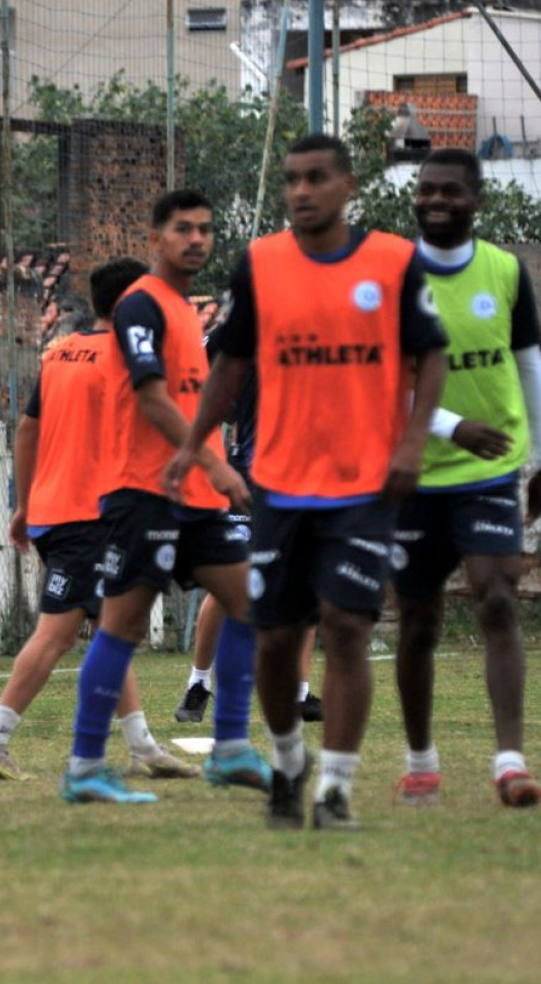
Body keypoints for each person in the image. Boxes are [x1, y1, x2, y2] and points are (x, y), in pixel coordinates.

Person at [171, 133, 449, 831]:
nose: (300, 190)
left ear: (348, 186)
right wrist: (195, 445)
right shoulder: (261, 263)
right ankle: (289, 760)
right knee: (273, 636)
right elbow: (230, 365)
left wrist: (413, 443)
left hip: (364, 486)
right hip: (278, 483)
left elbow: (431, 355)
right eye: (292, 179)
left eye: (316, 178)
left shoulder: (393, 261)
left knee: (346, 628)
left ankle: (334, 789)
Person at [59, 189, 271, 806]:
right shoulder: (141, 304)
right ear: (156, 238)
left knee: (248, 602)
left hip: (195, 496)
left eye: (205, 229)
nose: (196, 239)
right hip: (144, 493)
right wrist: (216, 462)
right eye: (183, 229)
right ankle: (84, 766)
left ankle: (230, 748)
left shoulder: (184, 310)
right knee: (122, 627)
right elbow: (151, 399)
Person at [0, 258, 196, 783]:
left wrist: (25, 504)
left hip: (53, 509)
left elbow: (28, 430)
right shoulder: (127, 357)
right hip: (92, 514)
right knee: (58, 634)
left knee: (116, 628)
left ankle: (142, 747)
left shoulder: (60, 353)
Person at [391, 149, 541, 808]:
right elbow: (385, 381)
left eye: (450, 191)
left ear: (476, 201)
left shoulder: (505, 271)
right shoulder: (393, 276)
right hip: (415, 472)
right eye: (426, 190)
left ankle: (510, 763)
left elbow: (528, 364)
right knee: (417, 623)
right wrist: (451, 426)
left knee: (497, 598)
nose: (435, 200)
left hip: (489, 470)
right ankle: (420, 761)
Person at [180, 371, 322, 726]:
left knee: (306, 582)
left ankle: (300, 692)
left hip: (300, 476)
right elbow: (209, 380)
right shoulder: (241, 343)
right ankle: (198, 683)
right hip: (248, 476)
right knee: (231, 581)